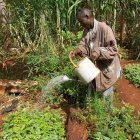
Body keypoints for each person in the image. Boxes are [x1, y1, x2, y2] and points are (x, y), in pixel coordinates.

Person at [69, 8, 121, 110]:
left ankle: (108, 117)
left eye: (81, 21)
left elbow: (114, 49)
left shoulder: (104, 28)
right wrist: (79, 50)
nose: (81, 24)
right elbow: (83, 44)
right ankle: (94, 111)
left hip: (107, 69)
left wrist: (99, 51)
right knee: (92, 90)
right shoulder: (86, 30)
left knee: (106, 95)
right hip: (94, 68)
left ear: (88, 17)